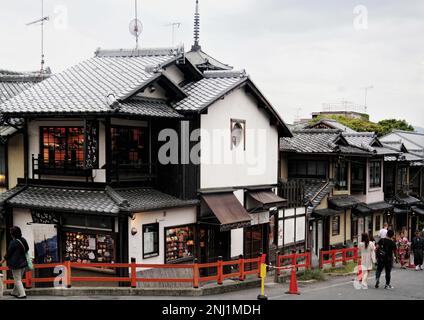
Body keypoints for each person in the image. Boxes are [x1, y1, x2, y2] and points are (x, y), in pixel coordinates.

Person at [0, 226, 29, 299]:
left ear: (13, 234)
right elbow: (27, 248)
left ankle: (22, 294)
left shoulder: (13, 242)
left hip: (15, 263)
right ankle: (14, 292)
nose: (10, 234)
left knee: (17, 279)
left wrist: (3, 260)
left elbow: (9, 253)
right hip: (23, 262)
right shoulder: (23, 240)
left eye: (11, 233)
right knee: (18, 278)